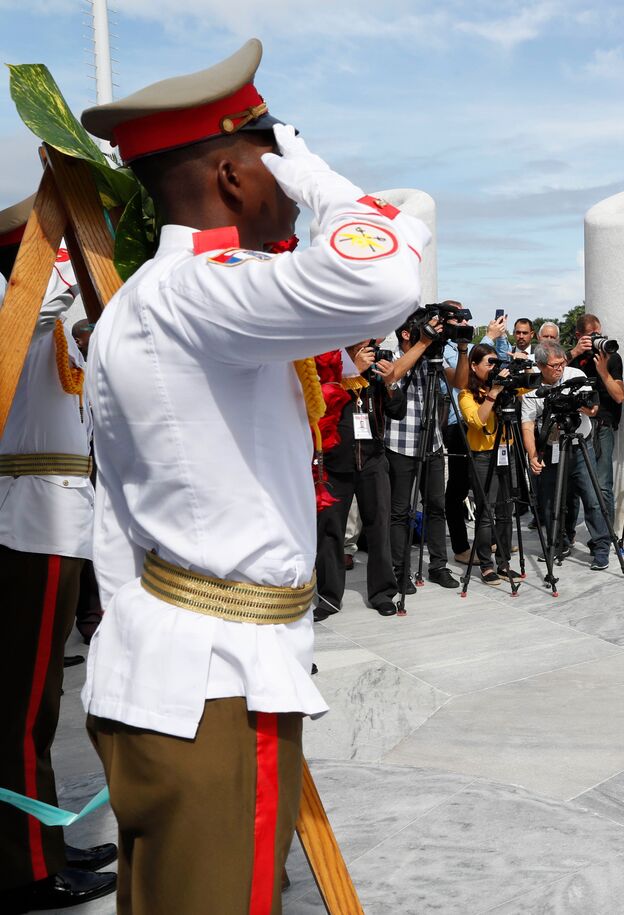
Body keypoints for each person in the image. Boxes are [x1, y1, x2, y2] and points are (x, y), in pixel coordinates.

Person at [78, 39, 429, 912]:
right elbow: (384, 274)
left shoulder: (149, 300)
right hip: (216, 684)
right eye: (276, 165)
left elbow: (115, 518)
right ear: (235, 176)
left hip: (178, 668)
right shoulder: (198, 291)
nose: (291, 192)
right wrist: (319, 176)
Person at [0, 200, 118, 912]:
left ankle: (41, 843)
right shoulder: (17, 321)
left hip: (59, 525)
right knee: (21, 709)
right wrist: (71, 233)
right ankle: (24, 870)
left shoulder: (46, 328)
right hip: (32, 526)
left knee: (40, 706)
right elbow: (45, 305)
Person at [313, 342, 404, 619]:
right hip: (335, 462)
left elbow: (397, 410)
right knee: (330, 531)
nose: (370, 350)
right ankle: (329, 597)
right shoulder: (329, 365)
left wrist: (390, 382)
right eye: (363, 345)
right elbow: (319, 403)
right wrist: (350, 373)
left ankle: (382, 593)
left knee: (379, 528)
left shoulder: (375, 375)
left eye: (371, 345)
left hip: (373, 460)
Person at [381, 309, 459, 593]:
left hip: (432, 442)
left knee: (436, 506)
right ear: (406, 333)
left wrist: (462, 348)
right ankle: (399, 569)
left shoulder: (431, 357)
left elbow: (460, 382)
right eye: (424, 327)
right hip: (399, 444)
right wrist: (424, 342)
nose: (430, 331)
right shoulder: (389, 356)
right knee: (400, 511)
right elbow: (393, 375)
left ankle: (438, 565)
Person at [522, 341, 613, 569]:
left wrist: (578, 404)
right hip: (551, 447)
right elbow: (527, 425)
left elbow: (593, 409)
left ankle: (601, 547)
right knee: (551, 501)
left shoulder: (576, 376)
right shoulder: (532, 390)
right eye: (554, 365)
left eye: (562, 363)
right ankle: (557, 543)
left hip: (580, 445)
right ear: (540, 365)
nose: (560, 368)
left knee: (592, 499)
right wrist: (533, 455)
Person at [444, 312, 509, 561]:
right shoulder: (446, 350)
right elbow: (463, 378)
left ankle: (492, 541)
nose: (464, 324)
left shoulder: (473, 347)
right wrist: (488, 338)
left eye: (466, 319)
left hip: (491, 427)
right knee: (459, 489)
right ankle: (461, 547)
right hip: (459, 425)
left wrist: (500, 338)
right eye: (457, 320)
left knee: (496, 497)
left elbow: (496, 363)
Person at [457, 344, 523, 584]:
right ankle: (486, 565)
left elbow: (532, 384)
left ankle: (504, 564)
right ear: (474, 366)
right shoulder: (466, 394)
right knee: (486, 512)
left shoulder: (505, 387)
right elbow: (478, 421)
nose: (494, 368)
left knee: (506, 511)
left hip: (508, 451)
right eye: (489, 363)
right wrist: (493, 393)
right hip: (483, 457)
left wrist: (522, 365)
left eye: (497, 362)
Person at [566, 314, 624, 523]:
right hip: (576, 426)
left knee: (602, 484)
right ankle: (568, 532)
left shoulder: (611, 357)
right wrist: (575, 352)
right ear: (579, 336)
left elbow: (619, 396)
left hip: (602, 426)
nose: (597, 340)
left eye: (599, 335)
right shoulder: (573, 358)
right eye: (592, 336)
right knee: (572, 484)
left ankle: (605, 533)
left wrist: (603, 372)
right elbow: (550, 370)